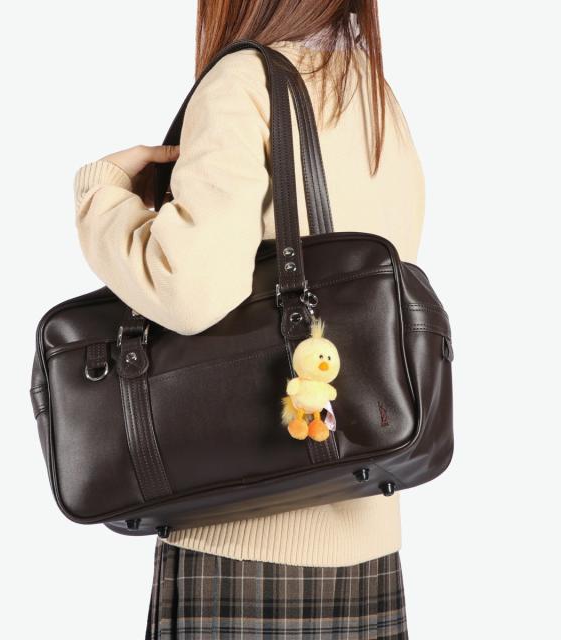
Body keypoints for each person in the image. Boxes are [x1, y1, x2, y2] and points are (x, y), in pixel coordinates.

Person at [73, 1, 423, 637]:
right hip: (368, 529)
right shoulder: (372, 92)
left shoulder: (244, 81)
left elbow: (189, 293)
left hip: (244, 539)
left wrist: (103, 195)